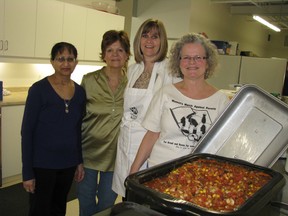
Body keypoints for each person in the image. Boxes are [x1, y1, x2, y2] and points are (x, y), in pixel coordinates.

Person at [130, 33, 230, 173]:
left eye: (198, 58)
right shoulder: (165, 93)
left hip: (200, 174)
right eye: (186, 57)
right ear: (178, 61)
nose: (192, 62)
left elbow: (223, 143)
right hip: (160, 170)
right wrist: (134, 170)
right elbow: (151, 135)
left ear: (208, 62)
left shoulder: (221, 101)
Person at [112, 18, 181, 198]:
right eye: (145, 36)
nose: (149, 41)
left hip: (151, 145)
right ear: (138, 40)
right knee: (126, 197)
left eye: (155, 36)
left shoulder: (171, 71)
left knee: (145, 198)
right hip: (126, 141)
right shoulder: (133, 69)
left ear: (162, 41)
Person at [21, 42, 86, 216]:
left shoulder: (79, 92)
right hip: (42, 164)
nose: (66, 64)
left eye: (70, 59)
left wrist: (79, 161)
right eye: (61, 59)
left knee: (59, 208)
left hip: (68, 164)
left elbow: (77, 130)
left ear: (76, 62)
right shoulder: (38, 90)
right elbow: (27, 132)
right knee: (40, 210)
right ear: (52, 61)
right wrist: (27, 172)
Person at [77, 30, 131, 215]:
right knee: (86, 203)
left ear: (127, 54)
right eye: (110, 50)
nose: (115, 54)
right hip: (88, 153)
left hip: (117, 156)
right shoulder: (89, 80)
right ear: (104, 54)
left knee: (107, 205)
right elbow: (77, 119)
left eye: (120, 50)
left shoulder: (133, 82)